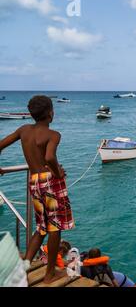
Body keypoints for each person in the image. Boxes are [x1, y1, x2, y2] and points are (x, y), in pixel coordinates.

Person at [0, 95, 74, 284]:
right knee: (55, 228)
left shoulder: (24, 130)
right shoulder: (53, 135)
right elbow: (49, 157)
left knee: (41, 228)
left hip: (34, 181)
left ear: (32, 114)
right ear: (51, 113)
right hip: (50, 182)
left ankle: (22, 270)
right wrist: (58, 173)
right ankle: (49, 274)